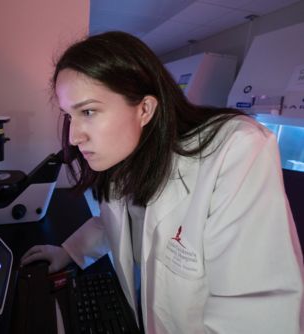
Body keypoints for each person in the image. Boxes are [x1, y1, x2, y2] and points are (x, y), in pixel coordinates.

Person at [20, 31, 304, 333]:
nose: (75, 137)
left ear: (145, 109)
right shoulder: (126, 157)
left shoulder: (234, 150)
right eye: (69, 115)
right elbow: (115, 221)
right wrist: (69, 251)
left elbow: (257, 315)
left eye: (88, 111)